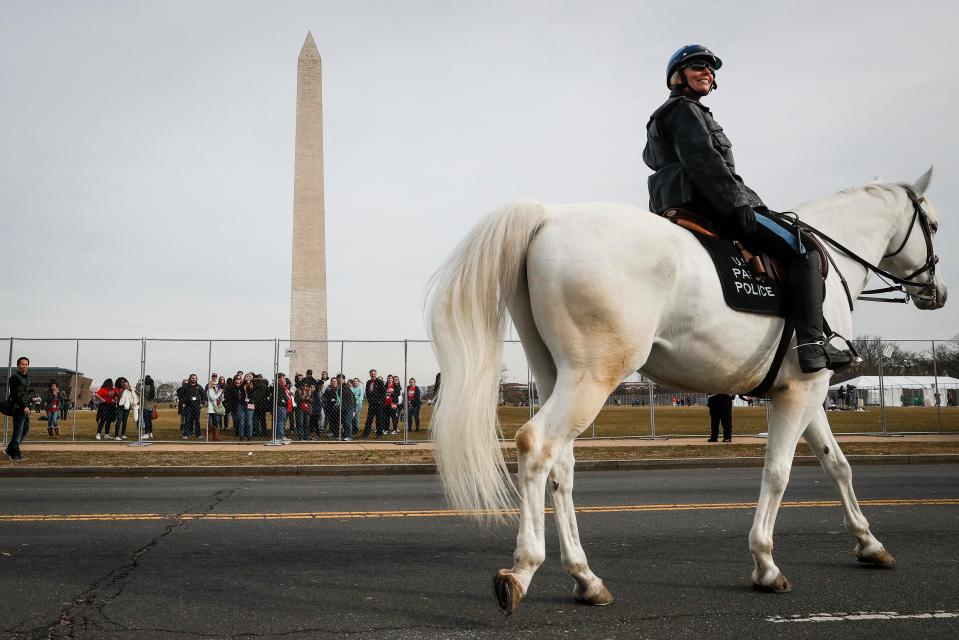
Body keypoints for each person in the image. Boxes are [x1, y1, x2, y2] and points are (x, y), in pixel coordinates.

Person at [643, 44, 854, 374]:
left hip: (689, 202)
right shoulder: (683, 111)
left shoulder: (678, 114)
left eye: (710, 69)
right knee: (802, 248)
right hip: (711, 203)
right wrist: (736, 202)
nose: (707, 72)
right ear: (676, 76)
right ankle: (812, 345)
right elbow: (704, 161)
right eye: (698, 66)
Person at [5, 357, 32, 460]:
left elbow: (25, 393)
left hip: (25, 407)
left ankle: (10, 449)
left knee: (25, 429)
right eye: (22, 364)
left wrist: (28, 405)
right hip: (18, 407)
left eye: (26, 364)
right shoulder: (14, 378)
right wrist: (24, 406)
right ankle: (15, 453)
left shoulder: (26, 378)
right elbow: (15, 394)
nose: (24, 366)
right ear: (18, 365)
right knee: (18, 430)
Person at [178, 374, 204, 439]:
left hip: (196, 406)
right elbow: (180, 396)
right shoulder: (185, 386)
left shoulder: (199, 387)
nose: (193, 379)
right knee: (187, 420)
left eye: (195, 378)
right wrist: (184, 402)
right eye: (192, 378)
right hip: (188, 406)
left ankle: (198, 434)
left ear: (196, 379)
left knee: (197, 420)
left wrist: (202, 403)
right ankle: (186, 434)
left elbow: (203, 395)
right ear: (190, 378)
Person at [363, 370, 386, 438]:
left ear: (376, 374)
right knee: (369, 419)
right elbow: (367, 392)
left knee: (379, 420)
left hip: (379, 404)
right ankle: (366, 434)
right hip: (371, 404)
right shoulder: (368, 382)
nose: (373, 375)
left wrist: (380, 401)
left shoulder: (379, 382)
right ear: (370, 374)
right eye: (371, 374)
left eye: (374, 374)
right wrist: (369, 400)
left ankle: (379, 434)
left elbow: (384, 392)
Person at [236, 373, 255, 442]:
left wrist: (253, 379)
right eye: (247, 376)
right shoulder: (242, 385)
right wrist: (244, 380)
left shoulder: (254, 385)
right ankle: (241, 437)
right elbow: (239, 388)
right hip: (242, 405)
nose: (248, 378)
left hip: (250, 405)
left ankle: (249, 436)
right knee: (241, 422)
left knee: (249, 422)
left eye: (250, 376)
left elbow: (263, 381)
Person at [274, 373, 292, 443]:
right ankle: (280, 436)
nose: (284, 379)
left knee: (282, 421)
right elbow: (279, 397)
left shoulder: (282, 387)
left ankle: (280, 435)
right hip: (280, 406)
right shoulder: (277, 387)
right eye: (283, 378)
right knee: (281, 421)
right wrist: (285, 399)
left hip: (283, 406)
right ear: (278, 379)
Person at [207, 375, 224, 441]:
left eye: (216, 384)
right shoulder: (209, 390)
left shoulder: (217, 390)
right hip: (212, 409)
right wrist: (219, 392)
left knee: (216, 422)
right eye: (213, 384)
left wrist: (221, 394)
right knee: (215, 421)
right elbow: (213, 397)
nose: (215, 385)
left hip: (218, 408)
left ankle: (215, 437)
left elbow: (221, 398)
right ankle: (212, 435)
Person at [139, 375, 156, 440]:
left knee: (146, 421)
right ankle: (150, 433)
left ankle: (146, 433)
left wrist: (139, 382)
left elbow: (138, 388)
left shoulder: (145, 388)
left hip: (145, 407)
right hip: (150, 407)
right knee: (149, 421)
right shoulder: (152, 388)